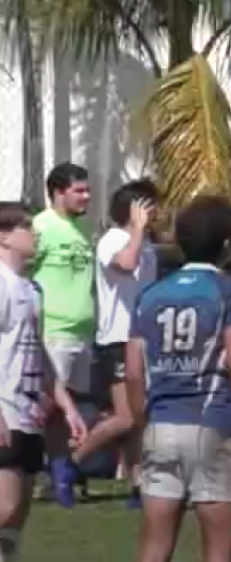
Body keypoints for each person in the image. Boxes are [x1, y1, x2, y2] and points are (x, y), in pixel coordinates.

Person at [126, 196, 231, 562]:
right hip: (212, 422)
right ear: (227, 243)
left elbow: (133, 371)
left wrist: (143, 424)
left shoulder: (150, 294)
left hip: (161, 425)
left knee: (154, 546)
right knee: (220, 550)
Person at [0, 204, 88, 559]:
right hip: (5, 410)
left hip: (28, 412)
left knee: (17, 514)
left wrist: (68, 408)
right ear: (3, 236)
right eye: (26, 227)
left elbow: (38, 352)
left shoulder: (32, 290)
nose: (34, 233)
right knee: (4, 508)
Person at [72, 179, 159, 510]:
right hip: (118, 339)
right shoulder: (115, 240)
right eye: (150, 206)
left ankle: (138, 484)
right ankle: (73, 461)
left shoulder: (144, 242)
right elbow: (124, 265)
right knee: (126, 417)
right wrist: (137, 229)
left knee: (139, 417)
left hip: (141, 339)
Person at [29, 162, 95, 508]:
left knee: (60, 411)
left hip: (80, 333)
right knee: (46, 405)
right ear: (57, 192)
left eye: (87, 190)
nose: (86, 196)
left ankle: (60, 479)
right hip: (53, 331)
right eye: (79, 190)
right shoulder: (42, 226)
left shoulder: (79, 231)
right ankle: (30, 471)